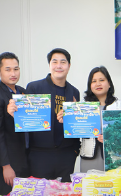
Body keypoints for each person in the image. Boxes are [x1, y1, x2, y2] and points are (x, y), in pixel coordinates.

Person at [12, 48, 81, 182]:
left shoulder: (74, 92)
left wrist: (75, 150)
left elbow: (76, 124)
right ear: (49, 65)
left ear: (69, 66)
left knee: (65, 192)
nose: (59, 66)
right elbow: (27, 120)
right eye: (54, 62)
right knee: (40, 193)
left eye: (63, 62)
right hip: (39, 154)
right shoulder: (34, 88)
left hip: (66, 155)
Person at [0, 52, 28, 195]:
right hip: (9, 163)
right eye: (8, 69)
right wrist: (5, 166)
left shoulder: (23, 93)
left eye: (16, 69)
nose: (13, 73)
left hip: (25, 158)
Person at [77, 66, 121, 172]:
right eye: (94, 81)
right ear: (90, 85)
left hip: (114, 157)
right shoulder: (81, 107)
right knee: (90, 182)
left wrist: (110, 138)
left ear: (109, 84)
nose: (98, 84)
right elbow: (75, 130)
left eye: (102, 80)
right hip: (90, 157)